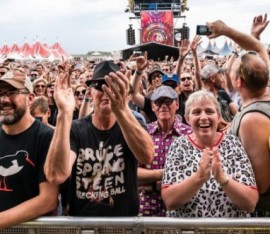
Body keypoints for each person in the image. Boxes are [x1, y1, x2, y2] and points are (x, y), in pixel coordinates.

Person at [44, 60, 154, 216]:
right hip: (83, 226)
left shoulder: (131, 125)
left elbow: (147, 156)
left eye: (112, 85)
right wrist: (64, 114)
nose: (106, 91)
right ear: (90, 93)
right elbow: (56, 175)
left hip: (123, 226)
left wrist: (122, 109)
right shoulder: (76, 129)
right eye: (99, 86)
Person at [207, 19, 270, 216]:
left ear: (238, 81)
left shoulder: (252, 119)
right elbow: (258, 47)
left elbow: (261, 184)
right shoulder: (260, 101)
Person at [161, 90, 258, 217]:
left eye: (209, 111)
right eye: (196, 112)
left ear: (218, 117)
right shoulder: (178, 146)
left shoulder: (233, 143)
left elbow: (250, 203)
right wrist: (199, 177)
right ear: (187, 119)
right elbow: (170, 201)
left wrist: (224, 180)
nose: (203, 117)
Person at [0, 70, 58, 228]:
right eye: (0, 93)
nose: (4, 99)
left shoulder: (47, 137)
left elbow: (48, 200)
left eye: (12, 92)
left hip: (33, 230)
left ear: (30, 99)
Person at [138, 86, 192, 217]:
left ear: (177, 104)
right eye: (158, 102)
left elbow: (194, 174)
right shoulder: (144, 134)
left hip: (182, 209)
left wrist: (153, 185)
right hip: (147, 208)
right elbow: (134, 173)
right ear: (152, 107)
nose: (163, 106)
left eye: (168, 101)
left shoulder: (190, 134)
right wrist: (166, 175)